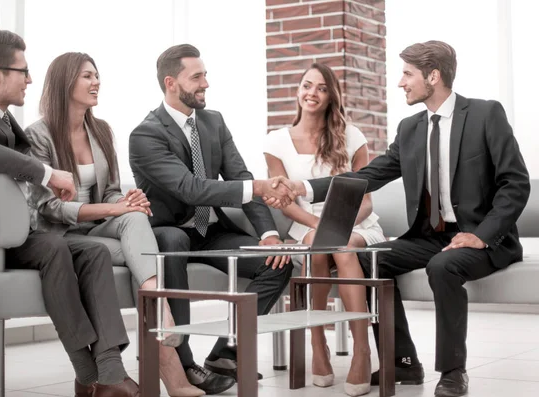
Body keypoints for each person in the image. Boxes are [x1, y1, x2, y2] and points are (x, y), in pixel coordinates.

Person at [273, 41, 530, 397]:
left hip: (481, 236)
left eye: (407, 74)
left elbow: (514, 183)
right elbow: (368, 175)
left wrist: (482, 235)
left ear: (433, 76)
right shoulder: (410, 129)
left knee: (444, 266)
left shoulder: (485, 115)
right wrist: (303, 185)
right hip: (430, 234)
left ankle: (453, 371)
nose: (401, 83)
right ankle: (402, 363)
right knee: (370, 261)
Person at [0, 30, 141, 397]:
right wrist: (48, 174)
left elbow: (22, 170)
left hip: (11, 232)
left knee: (93, 252)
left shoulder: (5, 120)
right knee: (53, 248)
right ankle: (86, 371)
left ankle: (109, 372)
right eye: (23, 70)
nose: (31, 79)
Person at [24, 51, 204, 397]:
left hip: (97, 228)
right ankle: (160, 329)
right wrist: (114, 209)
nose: (96, 83)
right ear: (65, 83)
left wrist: (126, 202)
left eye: (97, 76)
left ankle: (158, 304)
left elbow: (108, 192)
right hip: (61, 234)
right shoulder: (39, 135)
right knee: (135, 232)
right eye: (87, 77)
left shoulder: (102, 130)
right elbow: (49, 208)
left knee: (137, 214)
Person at [128, 44, 295, 395]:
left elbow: (241, 176)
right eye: (197, 76)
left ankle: (225, 352)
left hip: (211, 232)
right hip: (169, 231)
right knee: (172, 243)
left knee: (277, 262)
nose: (206, 83)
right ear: (171, 82)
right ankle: (184, 364)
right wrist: (260, 186)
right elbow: (190, 189)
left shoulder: (213, 122)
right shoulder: (145, 135)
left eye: (205, 74)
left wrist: (267, 234)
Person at [263, 62, 385, 396]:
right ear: (297, 91)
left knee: (340, 247)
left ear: (331, 96)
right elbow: (284, 201)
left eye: (321, 87)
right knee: (321, 244)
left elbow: (367, 201)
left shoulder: (352, 136)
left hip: (356, 225)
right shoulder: (276, 142)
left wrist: (338, 225)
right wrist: (320, 224)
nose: (311, 93)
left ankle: (362, 349)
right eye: (306, 85)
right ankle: (318, 344)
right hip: (308, 226)